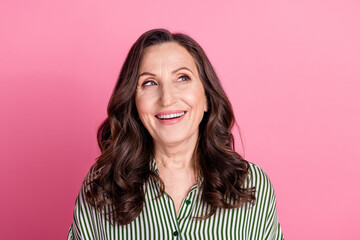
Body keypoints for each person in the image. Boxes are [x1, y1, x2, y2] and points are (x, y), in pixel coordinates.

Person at [67, 28, 284, 240]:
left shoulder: (252, 184)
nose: (167, 99)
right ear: (133, 102)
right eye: (149, 83)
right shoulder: (101, 187)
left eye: (182, 78)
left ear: (207, 97)